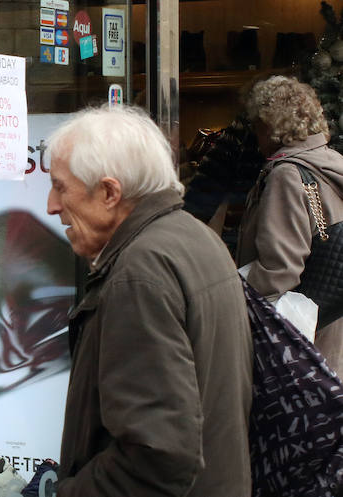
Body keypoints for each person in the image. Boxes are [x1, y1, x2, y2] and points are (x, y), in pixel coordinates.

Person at [46, 105, 253, 497]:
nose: (51, 205)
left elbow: (156, 457)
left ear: (109, 193)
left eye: (60, 187)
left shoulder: (139, 273)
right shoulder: (194, 237)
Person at [238, 75, 343, 373]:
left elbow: (279, 269)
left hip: (300, 346)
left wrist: (233, 303)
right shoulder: (330, 161)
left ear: (269, 125)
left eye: (256, 125)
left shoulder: (287, 174)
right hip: (331, 331)